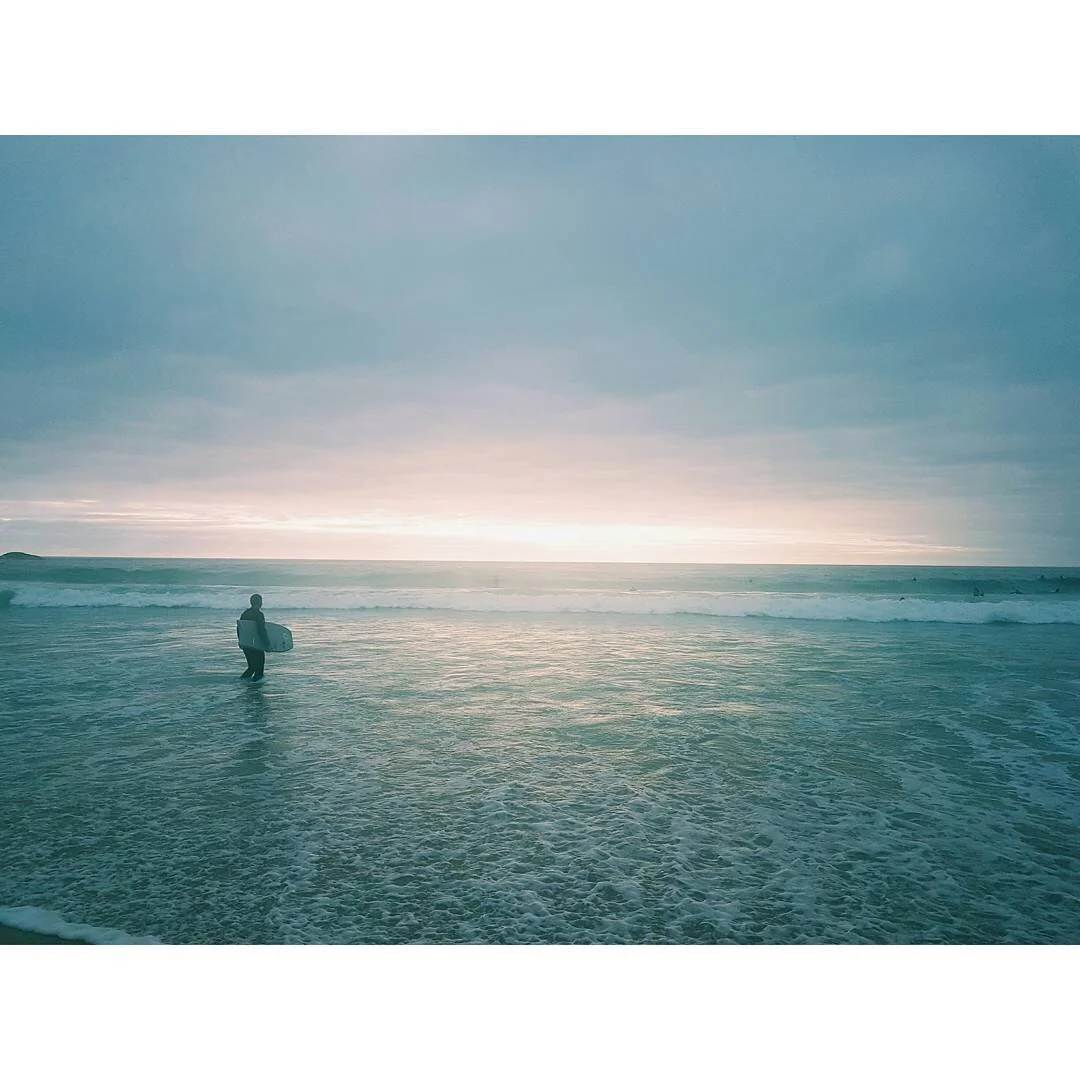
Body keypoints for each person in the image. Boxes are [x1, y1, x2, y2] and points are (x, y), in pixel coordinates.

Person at [239, 593, 271, 682]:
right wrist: (267, 644)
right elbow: (261, 630)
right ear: (260, 602)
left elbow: (240, 627)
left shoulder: (245, 613)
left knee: (251, 667)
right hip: (256, 644)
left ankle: (241, 682)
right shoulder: (259, 614)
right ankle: (256, 692)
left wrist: (241, 641)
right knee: (259, 669)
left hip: (246, 644)